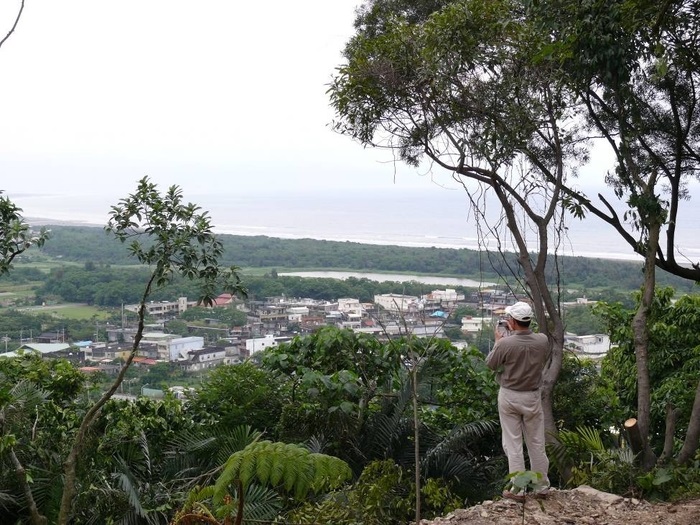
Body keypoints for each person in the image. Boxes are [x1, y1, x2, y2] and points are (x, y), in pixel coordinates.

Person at [486, 301, 551, 501]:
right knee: (536, 442)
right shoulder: (542, 340)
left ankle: (518, 489)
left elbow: (491, 364)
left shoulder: (506, 344)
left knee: (513, 444)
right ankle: (541, 487)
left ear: (512, 322)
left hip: (509, 395)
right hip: (532, 396)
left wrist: (498, 342)